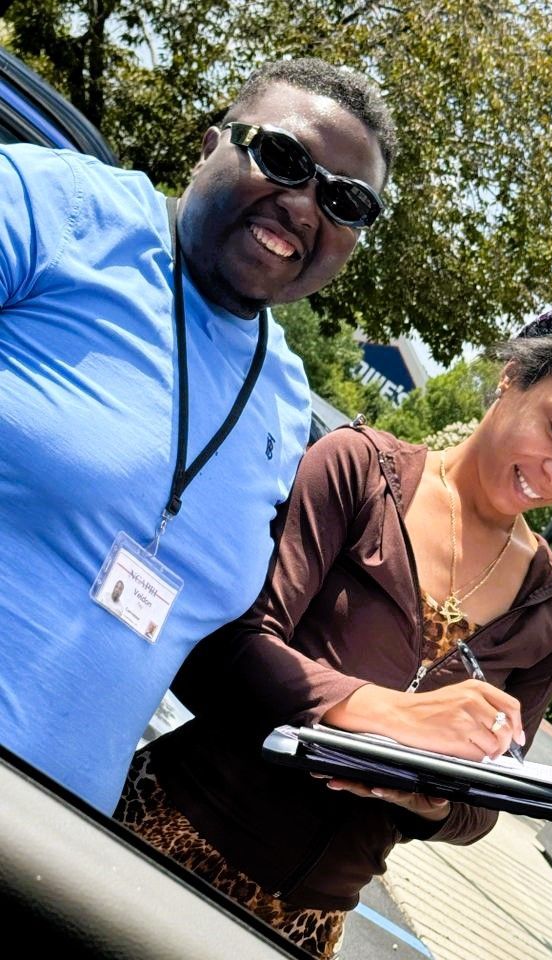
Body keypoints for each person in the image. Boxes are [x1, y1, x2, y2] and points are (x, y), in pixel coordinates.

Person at [115, 296, 552, 959]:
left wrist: (422, 794)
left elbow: (482, 807)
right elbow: (224, 651)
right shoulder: (357, 469)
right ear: (511, 379)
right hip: (163, 834)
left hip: (303, 924)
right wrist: (386, 716)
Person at [0, 57, 397, 815]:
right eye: (283, 158)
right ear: (208, 145)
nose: (305, 206)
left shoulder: (284, 403)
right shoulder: (58, 210)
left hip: (55, 847)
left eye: (346, 202)